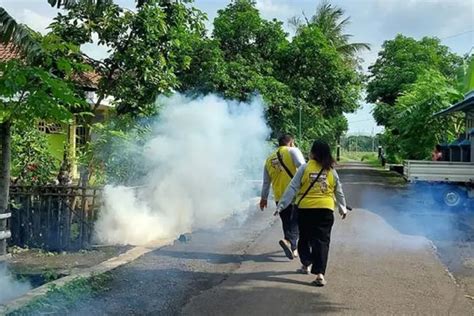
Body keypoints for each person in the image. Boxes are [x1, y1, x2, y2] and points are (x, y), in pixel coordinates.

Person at [275, 140, 347, 286]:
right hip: (325, 210)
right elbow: (338, 191)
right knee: (322, 241)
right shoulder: (331, 170)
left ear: (313, 152)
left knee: (304, 239)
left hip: (305, 210)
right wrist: (342, 207)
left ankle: (306, 263)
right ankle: (320, 274)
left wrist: (281, 205)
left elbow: (292, 188)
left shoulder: (304, 168)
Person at [260, 134, 305, 260]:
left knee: (287, 222)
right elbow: (303, 167)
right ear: (291, 142)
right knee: (297, 221)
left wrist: (263, 198)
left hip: (279, 196)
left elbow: (266, 182)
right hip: (294, 193)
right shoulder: (292, 151)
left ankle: (293, 248)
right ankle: (288, 241)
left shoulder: (269, 159)